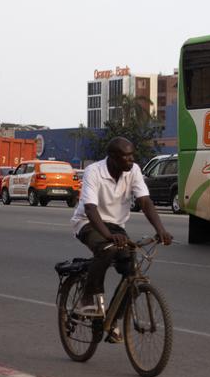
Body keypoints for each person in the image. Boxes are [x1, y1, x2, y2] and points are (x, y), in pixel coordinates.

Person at [70, 137, 173, 324]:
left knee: (131, 271)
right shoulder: (94, 171)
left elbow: (145, 202)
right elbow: (90, 209)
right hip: (88, 222)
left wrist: (161, 230)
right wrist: (108, 236)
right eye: (126, 156)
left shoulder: (133, 171)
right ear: (112, 158)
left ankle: (113, 320)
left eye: (132, 155)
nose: (131, 159)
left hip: (116, 226)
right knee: (107, 249)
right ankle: (87, 296)